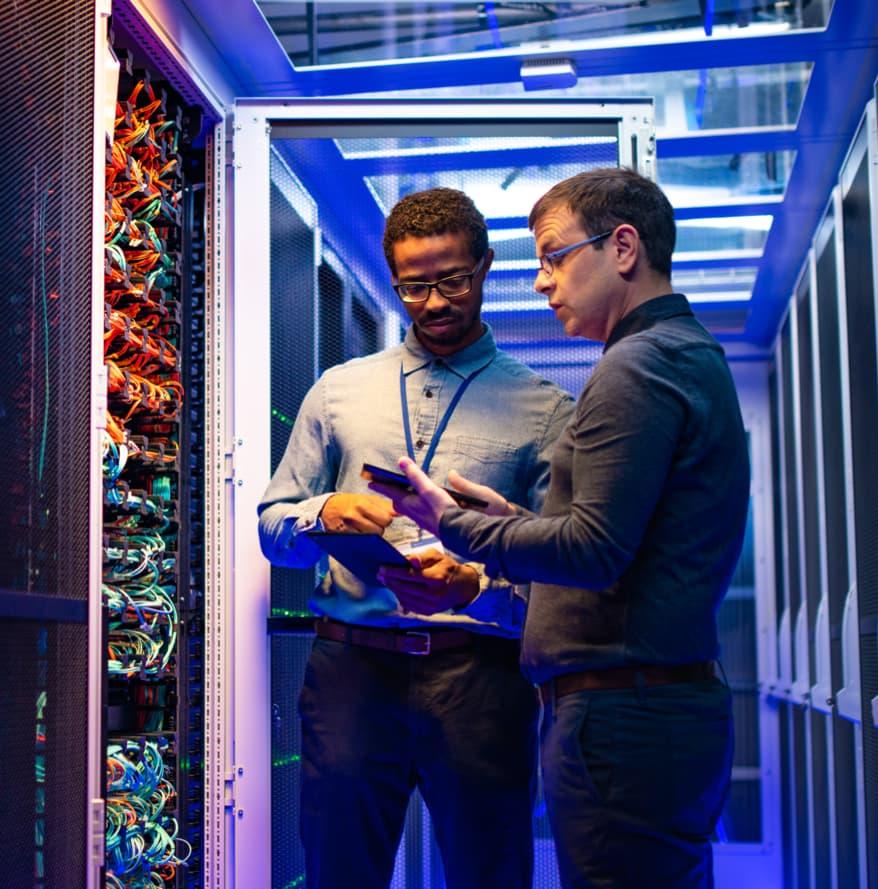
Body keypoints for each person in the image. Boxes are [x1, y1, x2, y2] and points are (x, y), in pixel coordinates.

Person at [373, 168, 751, 889]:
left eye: (553, 255)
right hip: (652, 712)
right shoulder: (683, 355)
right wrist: (514, 521)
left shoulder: (635, 368)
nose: (543, 280)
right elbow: (627, 537)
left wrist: (449, 523)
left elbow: (593, 550)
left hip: (622, 719)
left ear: (623, 247)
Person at [258, 186, 574, 889]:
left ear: (486, 267)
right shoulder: (337, 390)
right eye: (413, 286)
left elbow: (563, 574)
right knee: (338, 872)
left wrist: (480, 588)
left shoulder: (547, 411)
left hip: (481, 677)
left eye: (453, 280)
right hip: (351, 674)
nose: (433, 303)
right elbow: (272, 527)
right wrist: (323, 513)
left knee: (490, 873)